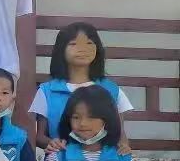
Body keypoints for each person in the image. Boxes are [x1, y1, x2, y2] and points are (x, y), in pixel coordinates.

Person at [30, 22, 133, 151]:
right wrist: (52, 143)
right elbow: (40, 136)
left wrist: (124, 148)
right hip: (62, 159)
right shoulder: (47, 91)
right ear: (61, 50)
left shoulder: (112, 90)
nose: (82, 49)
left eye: (89, 43)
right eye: (73, 44)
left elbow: (121, 134)